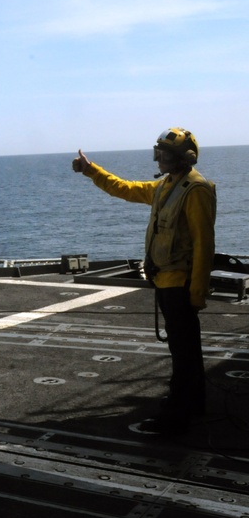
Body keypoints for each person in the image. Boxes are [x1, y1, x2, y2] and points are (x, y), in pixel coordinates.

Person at [73, 128, 216, 435]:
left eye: (165, 153)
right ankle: (194, 404)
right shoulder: (166, 186)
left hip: (180, 284)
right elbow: (124, 188)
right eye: (159, 152)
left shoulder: (196, 190)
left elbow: (205, 244)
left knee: (183, 352)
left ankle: (176, 418)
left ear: (183, 158)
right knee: (185, 349)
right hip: (166, 281)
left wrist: (197, 293)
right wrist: (91, 171)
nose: (159, 157)